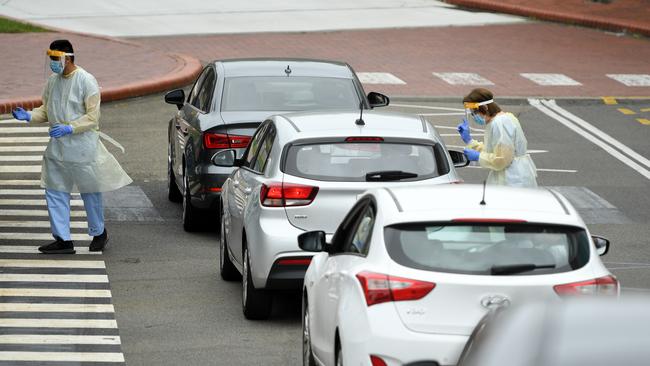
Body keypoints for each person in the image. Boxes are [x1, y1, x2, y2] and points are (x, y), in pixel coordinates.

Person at [10, 39, 132, 254]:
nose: (53, 63)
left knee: (90, 191)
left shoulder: (86, 81)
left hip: (83, 147)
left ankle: (98, 232)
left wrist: (70, 128)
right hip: (58, 148)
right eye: (51, 59)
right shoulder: (52, 82)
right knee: (54, 190)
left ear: (67, 57)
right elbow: (46, 110)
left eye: (56, 59)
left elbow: (93, 117)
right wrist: (29, 115)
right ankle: (63, 240)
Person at [457, 88, 537, 188]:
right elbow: (494, 150)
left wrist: (478, 156)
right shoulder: (500, 120)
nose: (474, 116)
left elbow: (502, 159)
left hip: (513, 179)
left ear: (485, 107)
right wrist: (470, 141)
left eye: (475, 113)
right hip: (510, 175)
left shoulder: (500, 123)